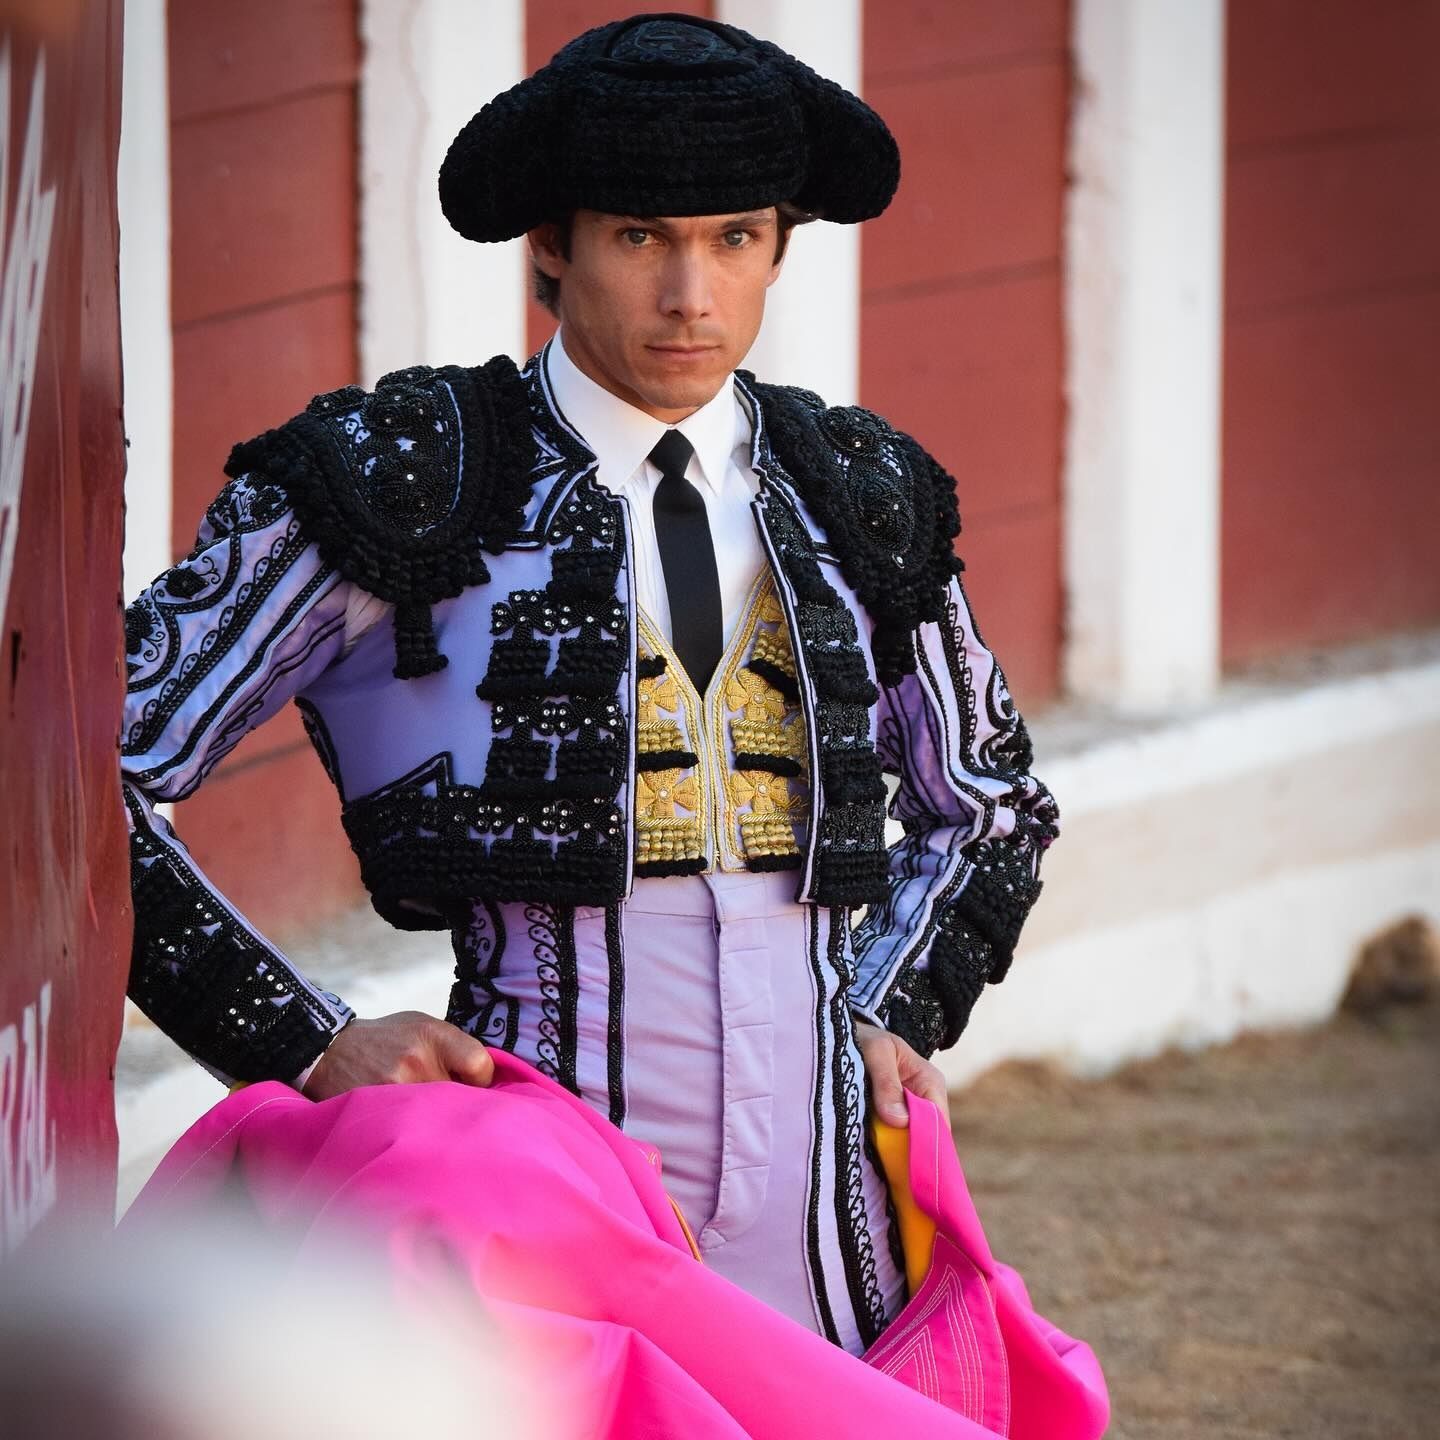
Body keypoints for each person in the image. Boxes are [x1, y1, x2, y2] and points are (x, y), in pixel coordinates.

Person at [121, 13, 1058, 1357]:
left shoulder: (860, 491)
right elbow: (77, 779)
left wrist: (889, 1010)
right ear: (550, 245)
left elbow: (992, 806)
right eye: (640, 239)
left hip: (826, 1219)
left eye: (734, 238)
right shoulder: (407, 481)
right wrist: (305, 1039)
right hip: (527, 1203)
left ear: (780, 245)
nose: (692, 297)